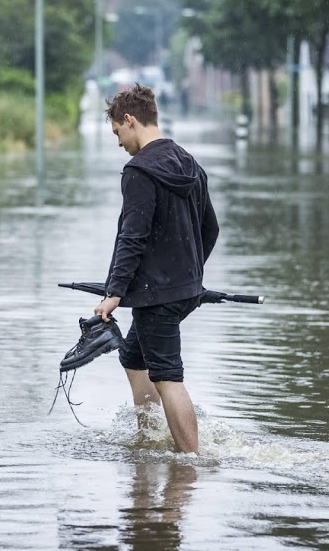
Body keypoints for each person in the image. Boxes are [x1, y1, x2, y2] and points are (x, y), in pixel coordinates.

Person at [93, 83, 219, 454]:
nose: (118, 142)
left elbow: (132, 237)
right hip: (182, 291)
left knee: (167, 376)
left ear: (129, 120)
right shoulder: (190, 164)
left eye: (117, 132)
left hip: (157, 296)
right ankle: (150, 439)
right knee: (134, 357)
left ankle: (191, 461)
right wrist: (189, 277)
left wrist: (114, 293)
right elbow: (210, 229)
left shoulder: (139, 171)